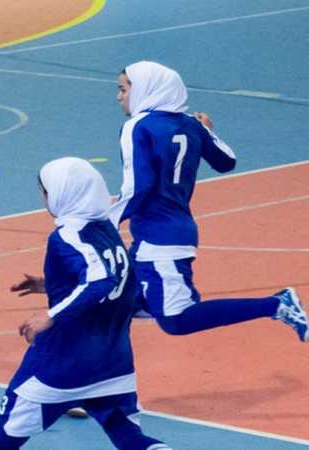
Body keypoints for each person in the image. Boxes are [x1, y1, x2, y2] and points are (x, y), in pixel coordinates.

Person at [108, 60, 307, 341]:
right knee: (117, 303)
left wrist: (105, 223)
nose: (119, 96)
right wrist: (207, 131)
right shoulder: (191, 125)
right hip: (172, 231)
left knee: (176, 320)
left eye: (123, 89)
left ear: (144, 88)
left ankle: (276, 305)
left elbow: (138, 188)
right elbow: (226, 161)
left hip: (159, 239)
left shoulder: (136, 127)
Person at [0, 157, 170, 450]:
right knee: (130, 439)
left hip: (60, 365)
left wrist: (52, 314)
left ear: (61, 194)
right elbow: (121, 282)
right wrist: (50, 285)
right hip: (113, 364)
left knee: (0, 444)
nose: (43, 198)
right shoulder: (106, 229)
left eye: (45, 192)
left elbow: (101, 280)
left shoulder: (66, 236)